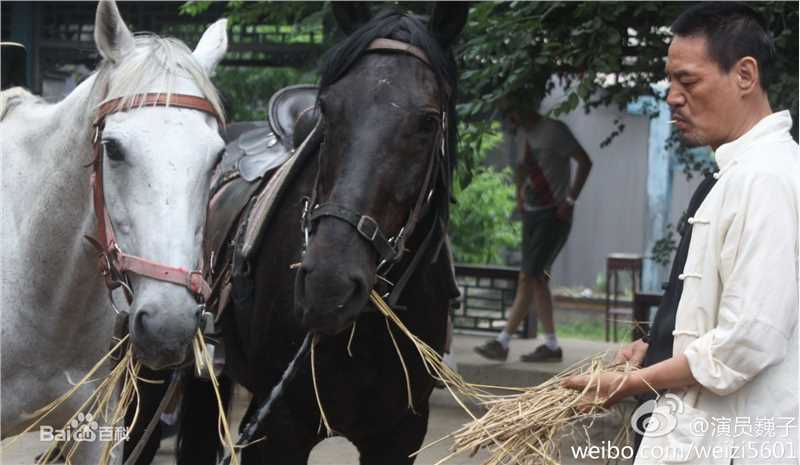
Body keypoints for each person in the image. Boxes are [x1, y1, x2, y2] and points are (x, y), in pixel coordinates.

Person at [562, 4, 799, 464]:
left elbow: (748, 340)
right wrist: (659, 348)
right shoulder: (738, 173)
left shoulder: (763, 179)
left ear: (745, 75)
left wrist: (633, 382)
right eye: (671, 82)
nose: (672, 97)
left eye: (687, 82)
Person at [475, 91, 593, 363]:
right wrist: (518, 195)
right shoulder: (522, 134)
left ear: (526, 108)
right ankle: (551, 345)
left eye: (513, 115)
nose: (511, 122)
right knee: (537, 278)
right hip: (531, 213)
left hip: (553, 215)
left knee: (529, 276)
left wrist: (571, 199)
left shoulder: (554, 131)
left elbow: (585, 161)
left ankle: (503, 342)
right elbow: (520, 168)